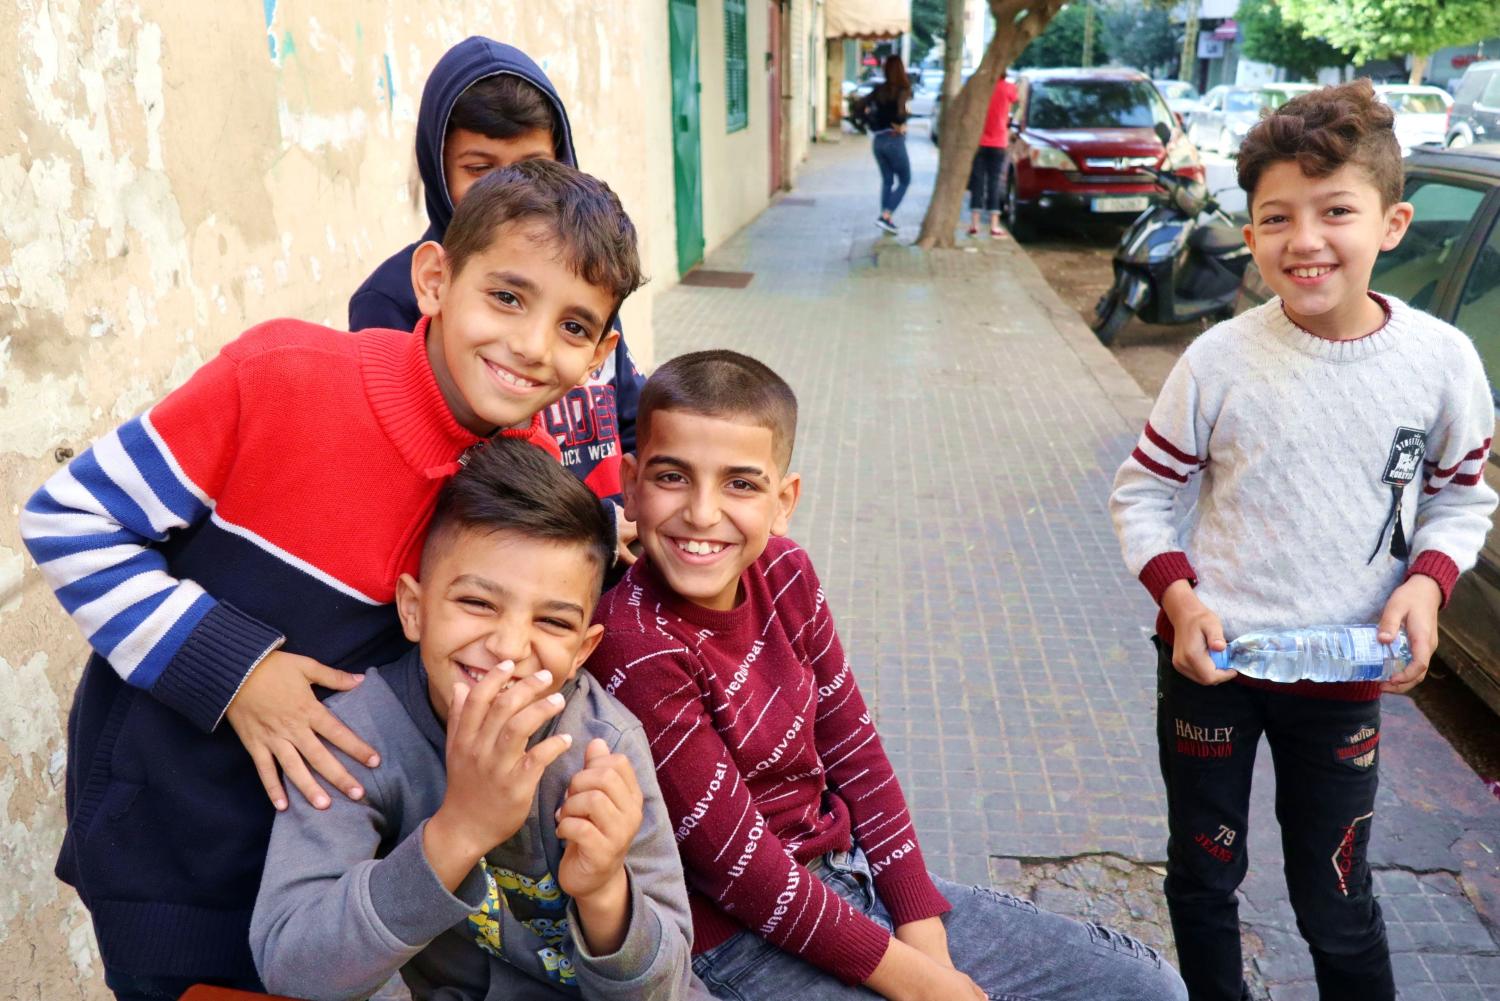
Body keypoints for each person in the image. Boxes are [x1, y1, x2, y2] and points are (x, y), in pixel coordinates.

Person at [18, 158, 642, 1000]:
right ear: (434, 279)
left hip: (340, 888)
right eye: (506, 296)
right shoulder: (283, 378)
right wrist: (239, 672)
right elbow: (68, 519)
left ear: (602, 353)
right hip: (171, 849)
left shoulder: (513, 477)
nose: (531, 346)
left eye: (574, 326)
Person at [587, 350, 1188, 1001]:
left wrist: (919, 921)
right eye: (673, 476)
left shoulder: (787, 572)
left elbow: (855, 749)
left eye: (740, 483)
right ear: (631, 481)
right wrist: (927, 984)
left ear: (784, 500)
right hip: (733, 941)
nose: (703, 512)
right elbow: (746, 875)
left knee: (1145, 984)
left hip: (841, 876)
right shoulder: (634, 643)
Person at [1109, 80, 1497, 1001]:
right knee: (1204, 873)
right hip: (1211, 667)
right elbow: (1144, 492)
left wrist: (1430, 583)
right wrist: (1180, 598)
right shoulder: (1219, 359)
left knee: (1334, 893)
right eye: (1276, 217)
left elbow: (1460, 497)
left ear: (1392, 223)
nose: (1306, 239)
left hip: (1345, 676)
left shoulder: (1443, 362)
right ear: (1251, 236)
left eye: (1336, 211)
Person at [251, 437, 703, 1001]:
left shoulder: (603, 748)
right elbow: (292, 964)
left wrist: (606, 893)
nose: (510, 647)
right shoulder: (350, 741)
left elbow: (664, 988)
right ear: (413, 610)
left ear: (584, 652)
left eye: (554, 624)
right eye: (478, 604)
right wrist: (459, 831)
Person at [349, 36, 646, 527]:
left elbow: (633, 418)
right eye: (480, 170)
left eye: (533, 166)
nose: (511, 191)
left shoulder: (588, 280)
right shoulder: (390, 299)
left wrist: (645, 513)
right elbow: (423, 471)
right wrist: (597, 524)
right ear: (438, 169)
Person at [863, 54, 913, 234]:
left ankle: (886, 218)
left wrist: (871, 122)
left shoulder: (879, 90)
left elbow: (861, 106)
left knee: (887, 180)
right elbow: (900, 114)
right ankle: (885, 216)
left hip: (878, 141)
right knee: (906, 180)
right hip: (894, 139)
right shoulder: (903, 89)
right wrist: (901, 122)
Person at [968, 74, 1019, 238]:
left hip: (979, 142)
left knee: (977, 181)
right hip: (998, 143)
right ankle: (994, 225)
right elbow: (1019, 99)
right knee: (994, 182)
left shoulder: (982, 88)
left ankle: (974, 224)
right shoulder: (1008, 88)